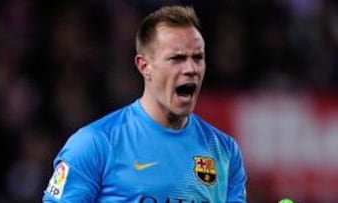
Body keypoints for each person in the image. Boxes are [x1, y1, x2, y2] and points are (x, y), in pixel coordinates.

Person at [43, 5, 247, 203]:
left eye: (198, 57)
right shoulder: (95, 143)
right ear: (144, 66)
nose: (191, 68)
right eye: (177, 58)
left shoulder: (224, 151)